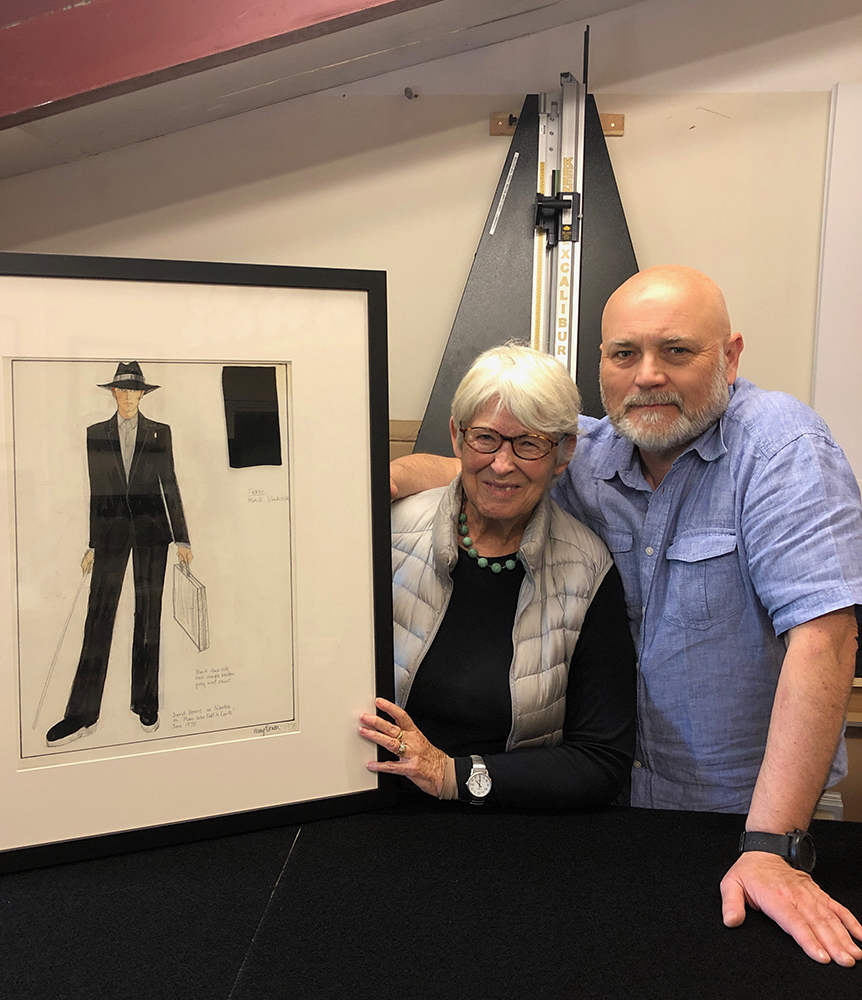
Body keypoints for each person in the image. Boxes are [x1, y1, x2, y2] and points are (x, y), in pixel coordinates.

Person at [389, 265, 862, 966]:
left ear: (729, 357)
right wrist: (384, 478)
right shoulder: (595, 448)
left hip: (747, 820)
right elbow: (497, 463)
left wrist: (770, 847)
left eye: (677, 351)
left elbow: (826, 641)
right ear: (602, 365)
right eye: (624, 354)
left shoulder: (781, 448)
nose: (647, 375)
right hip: (621, 812)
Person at [359, 343, 636, 809]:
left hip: (512, 825)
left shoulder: (588, 569)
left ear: (563, 454)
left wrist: (451, 774)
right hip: (368, 804)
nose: (502, 464)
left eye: (529, 444)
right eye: (486, 438)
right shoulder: (387, 534)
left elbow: (601, 759)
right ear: (457, 436)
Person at [46, 361, 193, 747]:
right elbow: (98, 491)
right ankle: (81, 715)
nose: (128, 398)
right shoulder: (96, 433)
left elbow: (170, 483)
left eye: (135, 392)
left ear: (144, 395)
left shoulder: (160, 432)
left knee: (148, 618)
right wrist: (93, 543)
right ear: (113, 393)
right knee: (98, 617)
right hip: (110, 533)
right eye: (122, 391)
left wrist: (182, 538)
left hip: (152, 532)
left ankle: (145, 703)